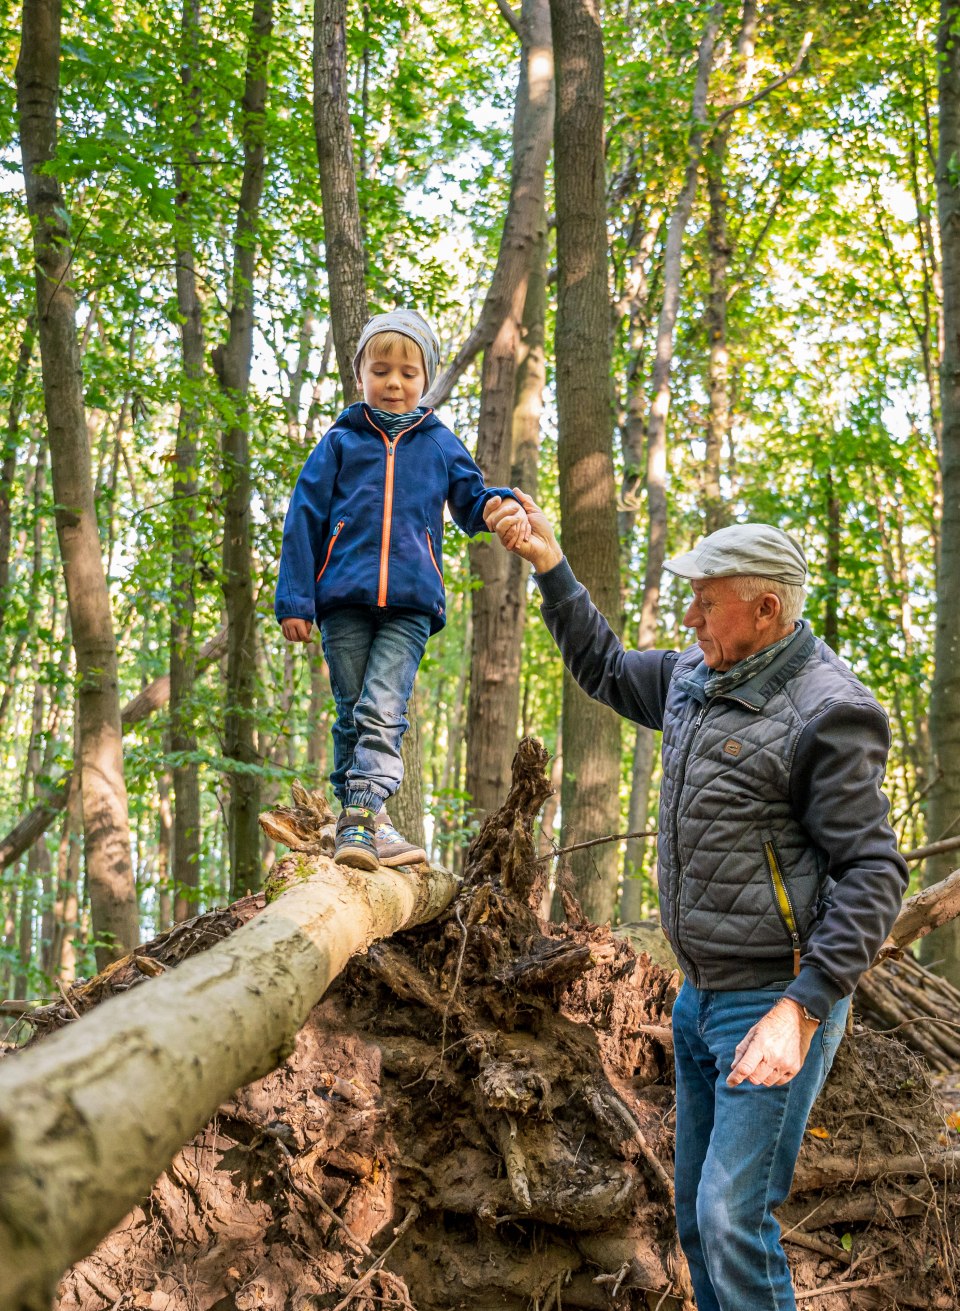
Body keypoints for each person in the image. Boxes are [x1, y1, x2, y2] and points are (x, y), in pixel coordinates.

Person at [485, 491, 907, 1311]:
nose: (689, 616)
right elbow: (606, 666)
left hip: (773, 1003)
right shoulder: (693, 675)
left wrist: (802, 1008)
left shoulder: (828, 711)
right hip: (699, 996)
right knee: (693, 1216)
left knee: (731, 1215)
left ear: (766, 607)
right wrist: (550, 564)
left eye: (705, 602)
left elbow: (874, 873)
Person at [275, 310, 529, 870]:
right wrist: (295, 600)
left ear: (426, 379)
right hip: (341, 600)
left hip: (411, 604)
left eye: (408, 373)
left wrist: (497, 505)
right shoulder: (340, 442)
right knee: (351, 711)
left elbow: (471, 498)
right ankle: (359, 822)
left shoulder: (438, 443)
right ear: (360, 374)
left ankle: (364, 815)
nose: (394, 383)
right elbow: (304, 519)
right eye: (381, 370)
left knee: (382, 706)